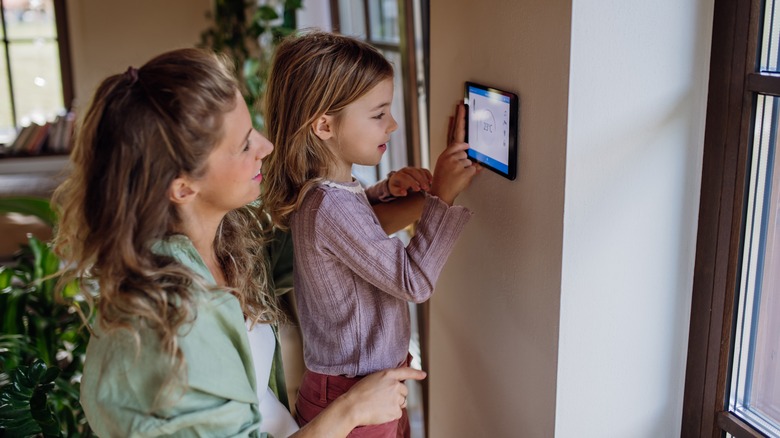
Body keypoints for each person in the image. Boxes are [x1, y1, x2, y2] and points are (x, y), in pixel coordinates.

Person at [51, 47, 425, 438]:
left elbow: (338, 238)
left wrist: (418, 196)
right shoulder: (170, 324)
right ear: (183, 187)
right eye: (245, 144)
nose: (266, 146)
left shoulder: (226, 238)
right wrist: (350, 409)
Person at [262, 31, 480, 437]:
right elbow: (413, 281)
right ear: (324, 125)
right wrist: (442, 198)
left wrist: (387, 191)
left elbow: (358, 231)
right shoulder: (329, 205)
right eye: (379, 114)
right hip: (352, 395)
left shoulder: (328, 191)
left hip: (371, 385)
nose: (393, 124)